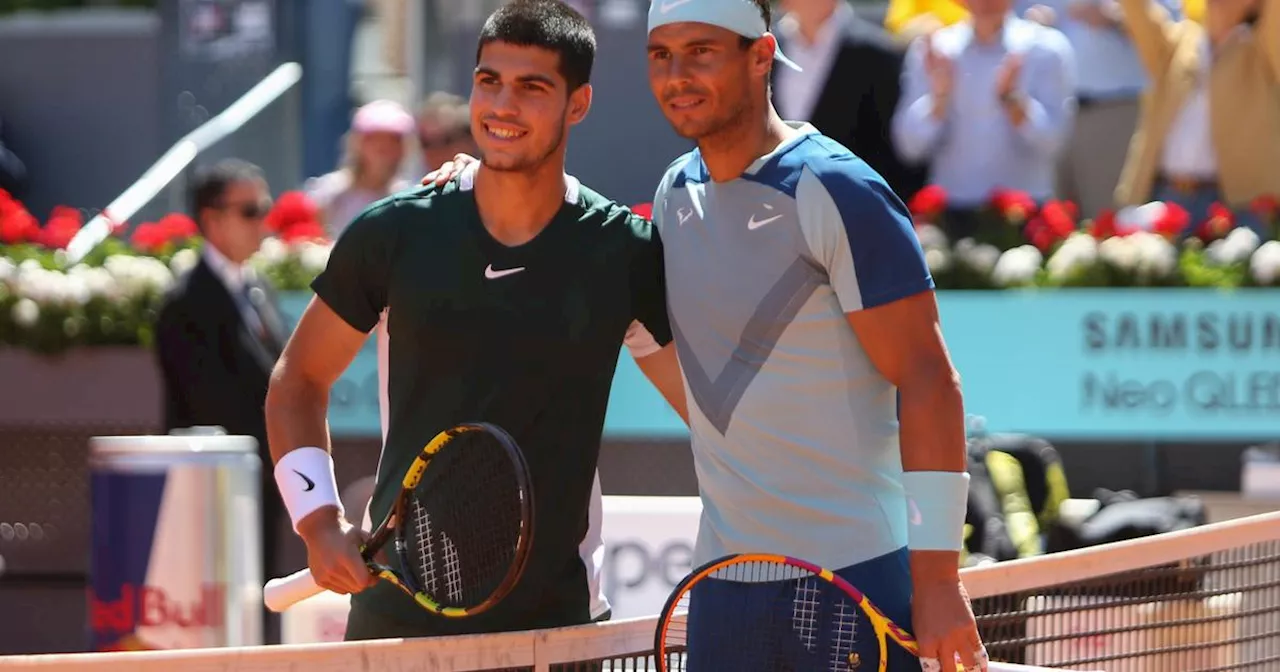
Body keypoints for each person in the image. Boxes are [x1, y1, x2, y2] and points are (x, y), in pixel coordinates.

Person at [425, 0, 986, 669]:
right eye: (660, 55)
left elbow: (929, 379)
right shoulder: (674, 195)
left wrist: (940, 582)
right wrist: (485, 180)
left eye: (701, 52)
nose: (676, 75)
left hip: (855, 578)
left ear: (760, 56)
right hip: (723, 591)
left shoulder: (839, 189)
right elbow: (693, 381)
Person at [264, 0, 685, 642]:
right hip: (396, 627)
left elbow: (710, 411)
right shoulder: (394, 232)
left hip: (558, 626)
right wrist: (318, 521)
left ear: (579, 104)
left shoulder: (622, 253)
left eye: (532, 87)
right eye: (489, 81)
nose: (502, 106)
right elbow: (298, 380)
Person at [152, 159, 289, 645]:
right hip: (211, 488)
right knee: (214, 617)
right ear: (211, 220)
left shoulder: (258, 288)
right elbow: (211, 401)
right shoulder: (186, 300)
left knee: (257, 603)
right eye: (250, 210)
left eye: (265, 208)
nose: (263, 221)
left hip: (260, 478)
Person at [305, 99, 416, 239]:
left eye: (394, 140)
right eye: (375, 140)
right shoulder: (328, 194)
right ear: (357, 143)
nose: (384, 149)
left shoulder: (408, 196)